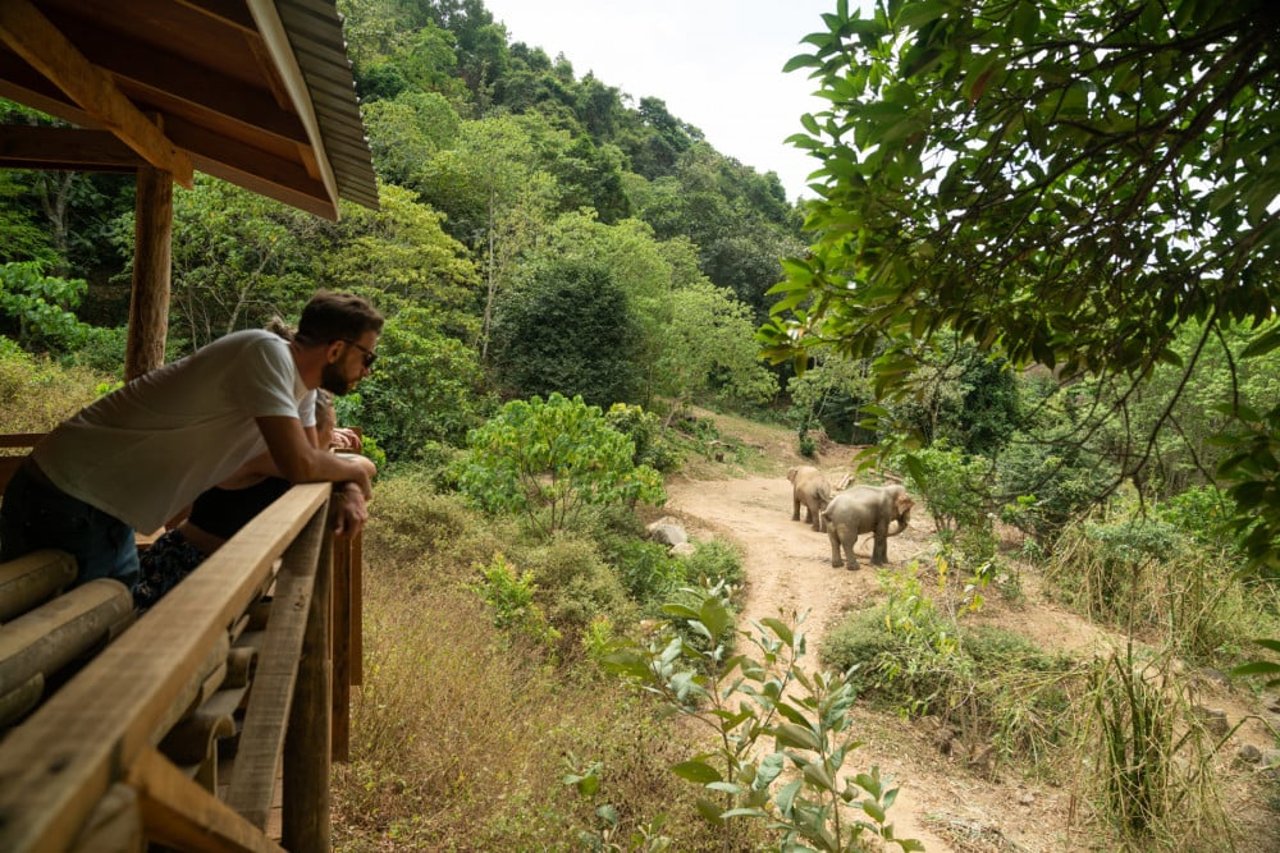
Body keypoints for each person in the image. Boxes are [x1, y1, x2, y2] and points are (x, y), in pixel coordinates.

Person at [0, 291, 383, 591]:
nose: (368, 370)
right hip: (66, 496)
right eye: (368, 357)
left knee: (103, 627)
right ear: (335, 349)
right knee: (62, 640)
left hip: (106, 509)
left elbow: (313, 458)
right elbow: (300, 466)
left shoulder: (299, 388)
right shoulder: (265, 354)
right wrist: (357, 477)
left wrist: (347, 484)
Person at [133, 391, 377, 611]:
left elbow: (365, 465)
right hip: (185, 567)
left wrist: (349, 481)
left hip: (220, 573)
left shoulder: (293, 458)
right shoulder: (261, 454)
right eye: (329, 428)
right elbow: (350, 467)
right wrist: (350, 478)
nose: (332, 438)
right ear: (304, 428)